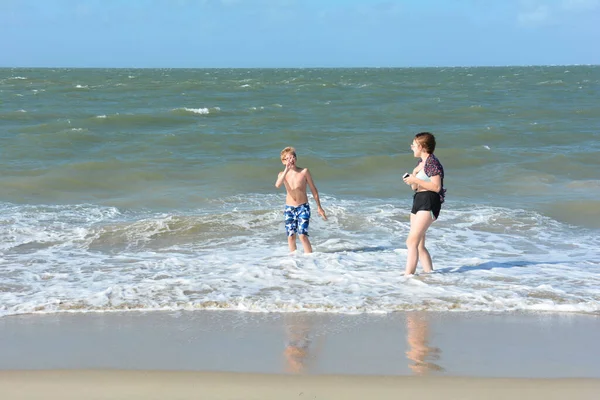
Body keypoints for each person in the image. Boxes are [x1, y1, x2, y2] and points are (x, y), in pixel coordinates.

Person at [402, 132, 445, 275]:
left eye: (413, 145)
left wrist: (416, 180)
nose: (411, 148)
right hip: (418, 200)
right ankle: (431, 274)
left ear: (421, 147)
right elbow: (416, 187)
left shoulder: (433, 162)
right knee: (419, 245)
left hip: (429, 201)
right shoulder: (420, 164)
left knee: (411, 242)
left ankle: (408, 276)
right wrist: (412, 179)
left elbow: (436, 187)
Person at [275, 147, 327, 253]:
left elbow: (314, 189)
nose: (291, 160)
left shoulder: (304, 172)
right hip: (289, 208)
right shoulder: (282, 174)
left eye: (293, 157)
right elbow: (277, 185)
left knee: (302, 235)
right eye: (288, 158)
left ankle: (310, 259)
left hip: (303, 207)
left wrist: (319, 207)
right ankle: (294, 261)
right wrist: (286, 170)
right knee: (291, 236)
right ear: (283, 161)